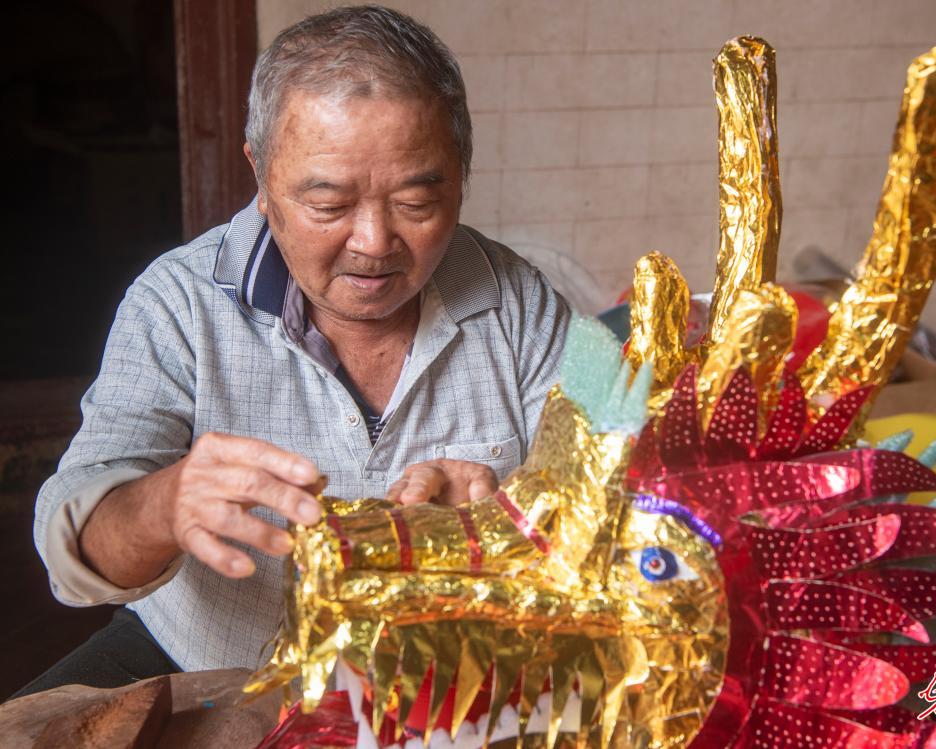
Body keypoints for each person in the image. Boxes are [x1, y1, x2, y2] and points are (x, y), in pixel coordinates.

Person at [22, 5, 569, 696]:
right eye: (329, 203)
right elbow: (71, 547)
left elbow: (629, 492)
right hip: (212, 663)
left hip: (445, 671)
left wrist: (510, 520)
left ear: (461, 172)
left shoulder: (524, 301)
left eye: (414, 202)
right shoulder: (178, 303)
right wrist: (164, 505)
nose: (373, 241)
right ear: (261, 175)